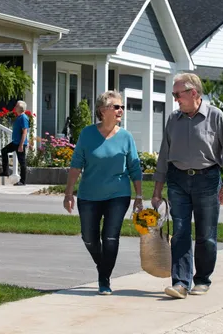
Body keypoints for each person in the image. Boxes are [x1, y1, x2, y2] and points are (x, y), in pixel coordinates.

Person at [152, 73, 223, 299]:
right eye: (174, 95)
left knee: (206, 234)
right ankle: (180, 283)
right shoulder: (173, 119)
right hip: (177, 180)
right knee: (180, 232)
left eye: (177, 94)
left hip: (207, 179)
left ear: (193, 93)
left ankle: (202, 279)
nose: (175, 99)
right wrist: (157, 189)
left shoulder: (216, 117)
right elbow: (164, 154)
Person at [63, 91, 143, 295]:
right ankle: (103, 267)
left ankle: (104, 278)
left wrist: (139, 196)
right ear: (102, 110)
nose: (121, 111)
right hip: (89, 195)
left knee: (110, 237)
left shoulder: (126, 137)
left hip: (118, 194)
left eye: (122, 107)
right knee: (89, 237)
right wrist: (68, 193)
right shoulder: (87, 134)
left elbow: (134, 167)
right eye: (116, 107)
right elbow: (76, 165)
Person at [0, 100, 28, 186]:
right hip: (15, 142)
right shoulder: (19, 117)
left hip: (20, 143)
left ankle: (22, 181)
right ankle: (5, 171)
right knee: (4, 151)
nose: (14, 107)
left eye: (16, 106)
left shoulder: (23, 117)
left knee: (22, 162)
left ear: (20, 108)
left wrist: (21, 145)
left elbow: (24, 132)